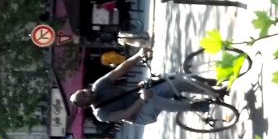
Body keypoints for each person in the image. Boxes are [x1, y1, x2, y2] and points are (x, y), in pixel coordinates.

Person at [69, 48, 221, 125]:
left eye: (83, 92)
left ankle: (213, 91)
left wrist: (138, 55)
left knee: (173, 81)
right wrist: (142, 99)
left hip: (142, 95)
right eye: (84, 97)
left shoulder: (99, 85)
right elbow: (127, 113)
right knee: (153, 99)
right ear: (86, 105)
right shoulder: (101, 114)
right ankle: (195, 107)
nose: (86, 93)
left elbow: (120, 70)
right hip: (140, 114)